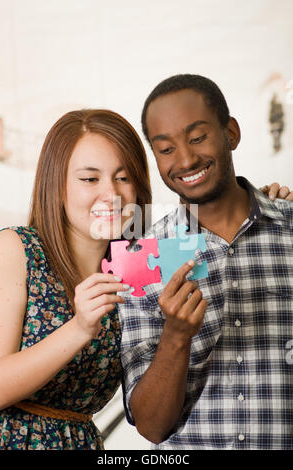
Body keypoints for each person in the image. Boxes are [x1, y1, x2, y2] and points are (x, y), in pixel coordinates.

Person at [119, 74, 293, 450]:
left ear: (230, 133)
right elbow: (150, 426)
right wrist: (176, 336)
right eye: (165, 149)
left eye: (198, 138)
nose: (185, 159)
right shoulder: (141, 259)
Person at [0, 108, 152, 450]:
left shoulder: (135, 270)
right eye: (90, 179)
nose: (111, 194)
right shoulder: (15, 249)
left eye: (124, 178)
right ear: (57, 184)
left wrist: (259, 202)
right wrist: (79, 328)